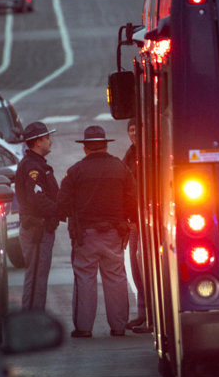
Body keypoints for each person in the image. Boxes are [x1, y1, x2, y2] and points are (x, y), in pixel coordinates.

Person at [57, 126, 137, 338]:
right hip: (115, 233)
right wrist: (130, 221)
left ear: (85, 148)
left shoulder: (75, 171)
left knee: (84, 278)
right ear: (106, 145)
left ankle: (84, 328)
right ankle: (119, 327)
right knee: (116, 278)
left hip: (85, 236)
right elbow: (133, 199)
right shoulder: (120, 168)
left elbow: (62, 203)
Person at [15, 122, 60, 311]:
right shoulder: (32, 167)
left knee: (38, 277)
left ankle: (35, 317)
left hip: (41, 230)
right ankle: (31, 321)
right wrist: (59, 211)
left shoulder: (37, 164)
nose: (51, 141)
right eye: (47, 138)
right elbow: (37, 199)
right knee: (35, 278)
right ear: (38, 142)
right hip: (37, 231)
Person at [122, 118, 149, 333]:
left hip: (146, 219)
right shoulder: (130, 154)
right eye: (130, 130)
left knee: (145, 265)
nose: (133, 133)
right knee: (136, 267)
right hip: (133, 219)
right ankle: (143, 313)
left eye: (136, 129)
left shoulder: (149, 153)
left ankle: (151, 314)